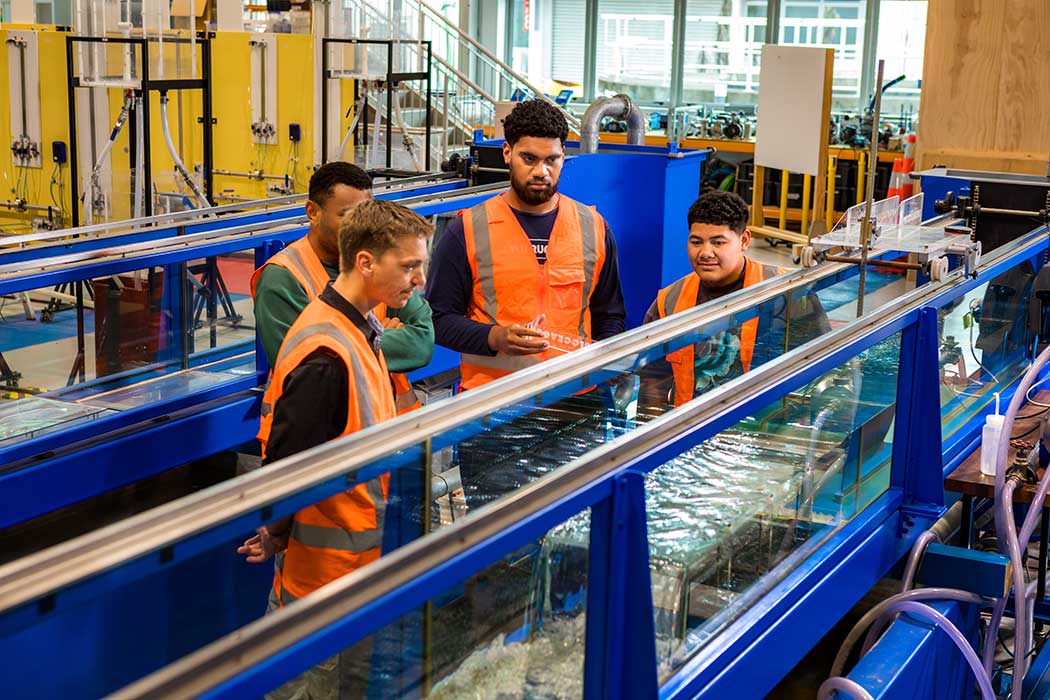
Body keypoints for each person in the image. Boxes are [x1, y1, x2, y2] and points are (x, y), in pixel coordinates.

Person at [239, 199, 433, 699]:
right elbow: (287, 467)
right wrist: (275, 530)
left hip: (350, 569)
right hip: (316, 580)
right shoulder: (327, 352)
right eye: (409, 267)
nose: (419, 281)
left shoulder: (358, 331)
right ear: (366, 262)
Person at [425, 99, 626, 390]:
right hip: (491, 404)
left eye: (551, 160)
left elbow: (610, 314)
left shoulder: (593, 226)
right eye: (529, 159)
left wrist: (603, 365)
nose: (541, 171)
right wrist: (496, 337)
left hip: (573, 397)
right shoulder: (468, 229)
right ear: (507, 153)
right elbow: (438, 319)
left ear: (563, 157)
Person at [252, 162, 433, 410]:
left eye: (366, 216)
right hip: (319, 431)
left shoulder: (376, 261)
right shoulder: (282, 277)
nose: (360, 229)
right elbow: (306, 365)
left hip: (385, 426)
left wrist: (351, 342)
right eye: (347, 216)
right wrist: (382, 334)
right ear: (313, 212)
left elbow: (422, 342)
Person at [641, 191, 831, 409]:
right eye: (696, 242)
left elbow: (823, 368)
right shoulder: (669, 302)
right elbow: (652, 381)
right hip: (689, 429)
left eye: (718, 242)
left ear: (744, 240)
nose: (705, 253)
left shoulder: (788, 295)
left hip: (765, 429)